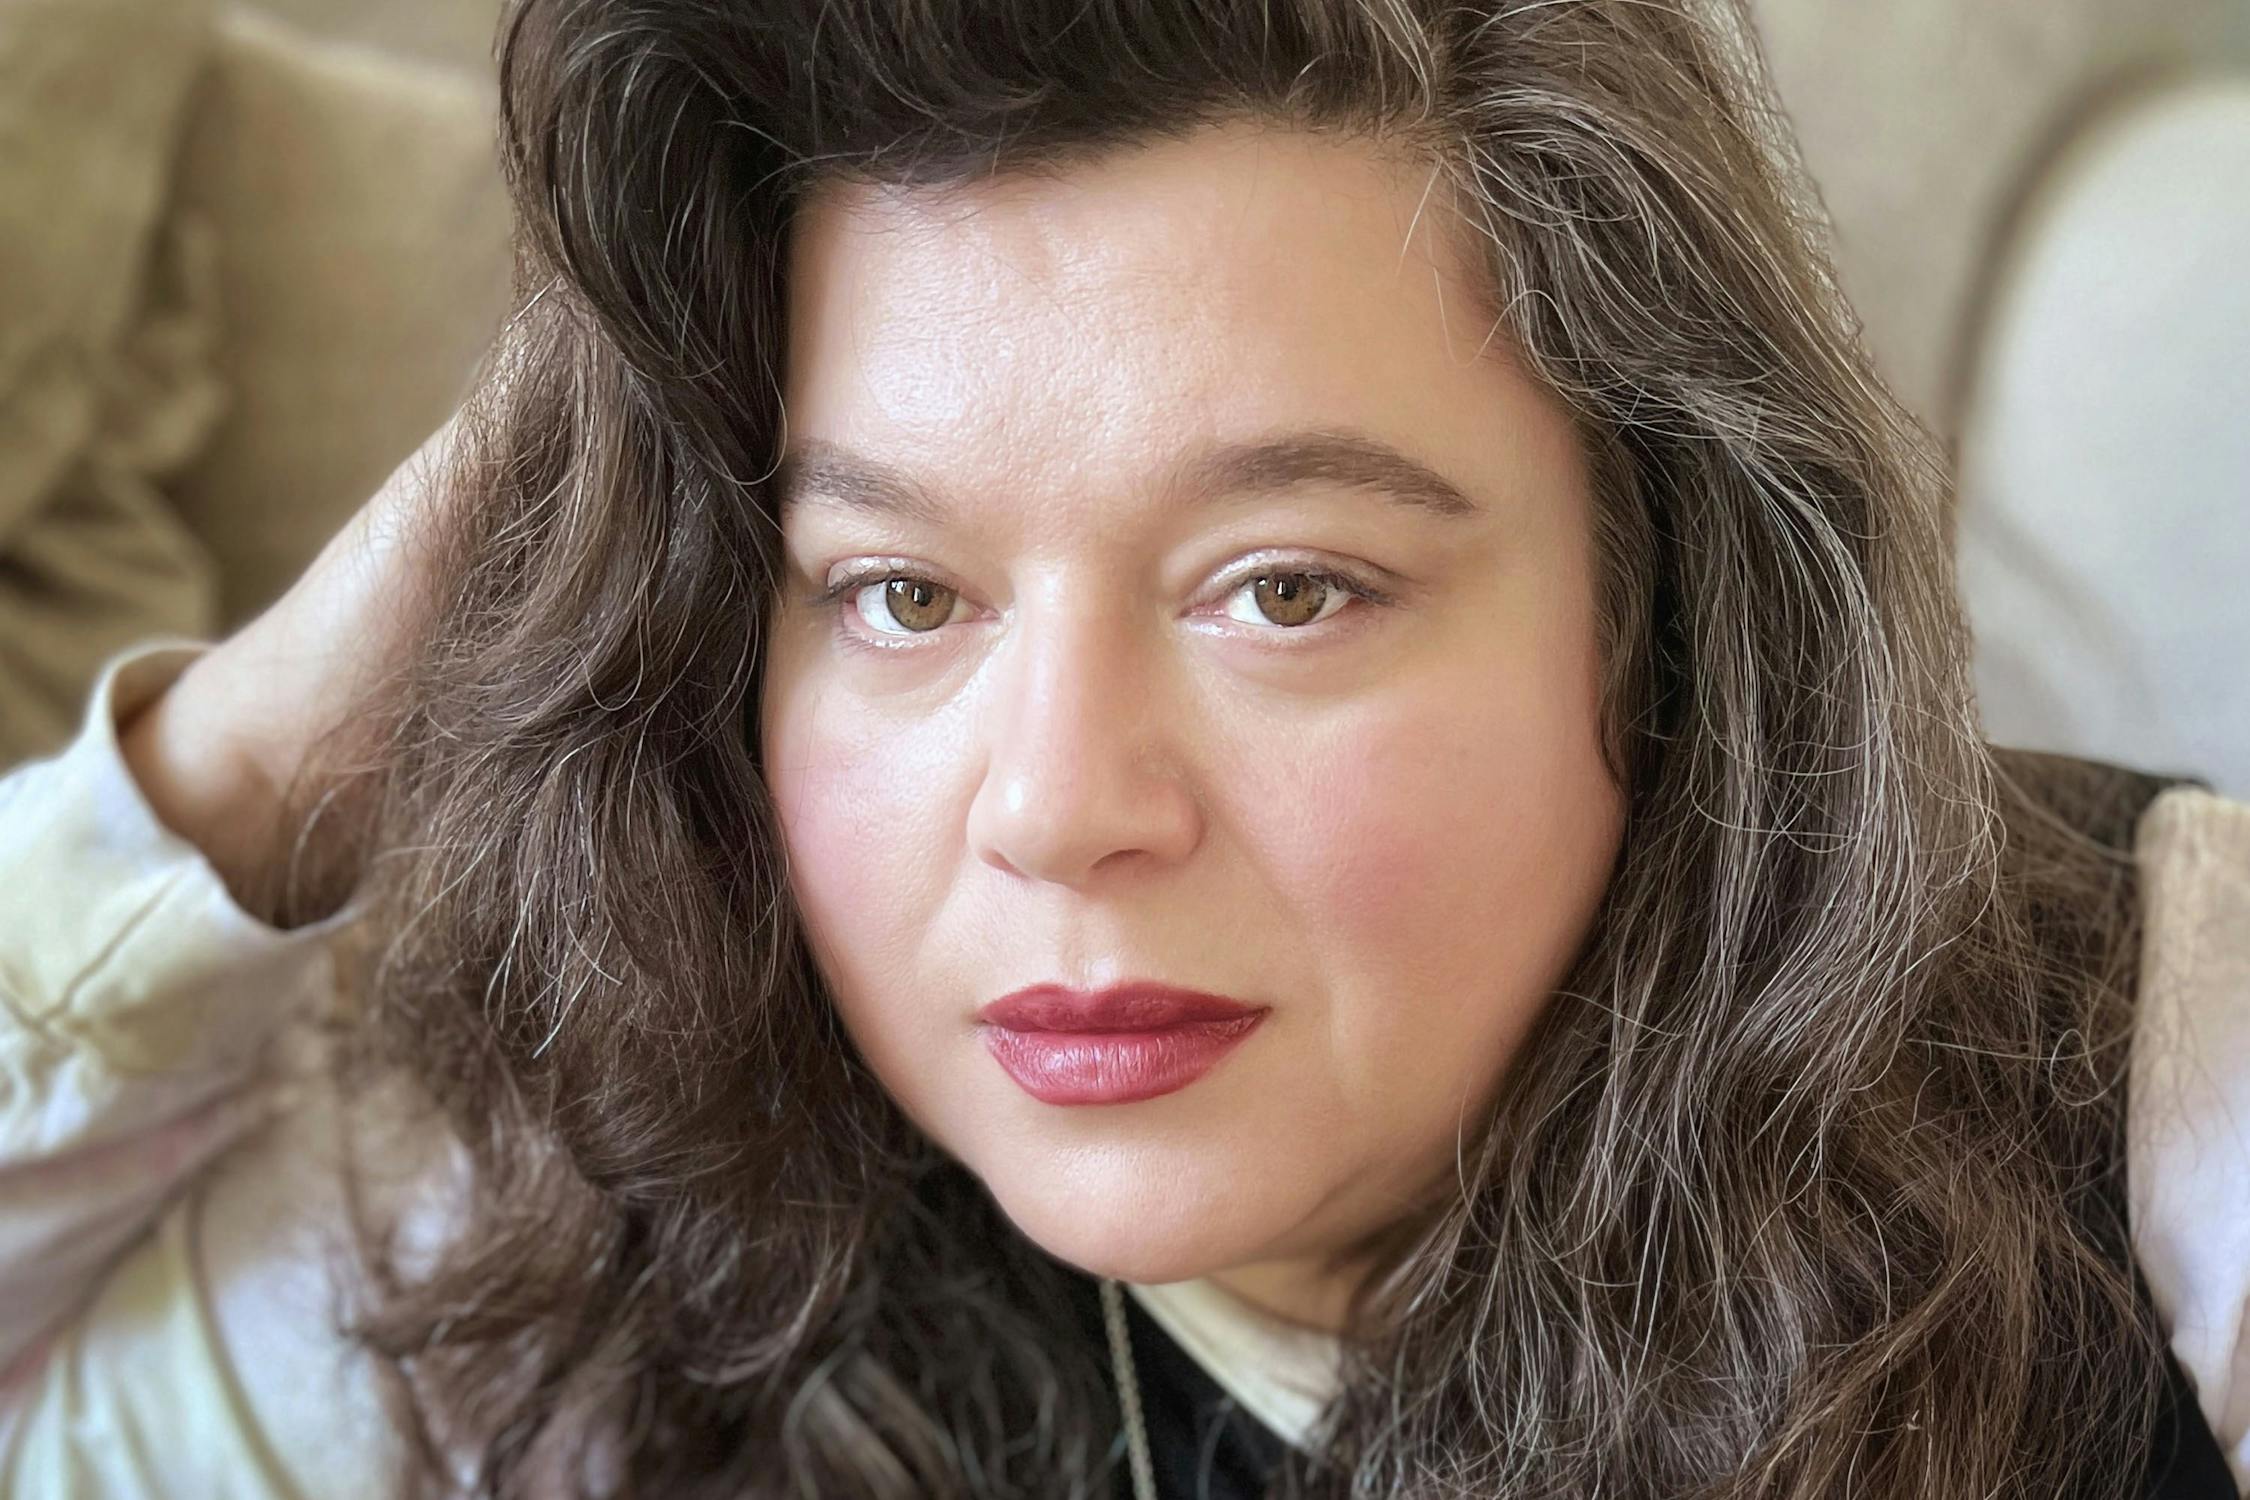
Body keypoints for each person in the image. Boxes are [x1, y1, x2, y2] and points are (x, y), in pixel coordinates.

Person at [1, 1, 2245, 1496]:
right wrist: (277, 732)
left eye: (1287, 590)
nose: (1062, 810)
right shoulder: (623, 1261)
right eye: (903, 596)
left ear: (1668, 614)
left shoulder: (2171, 1064)